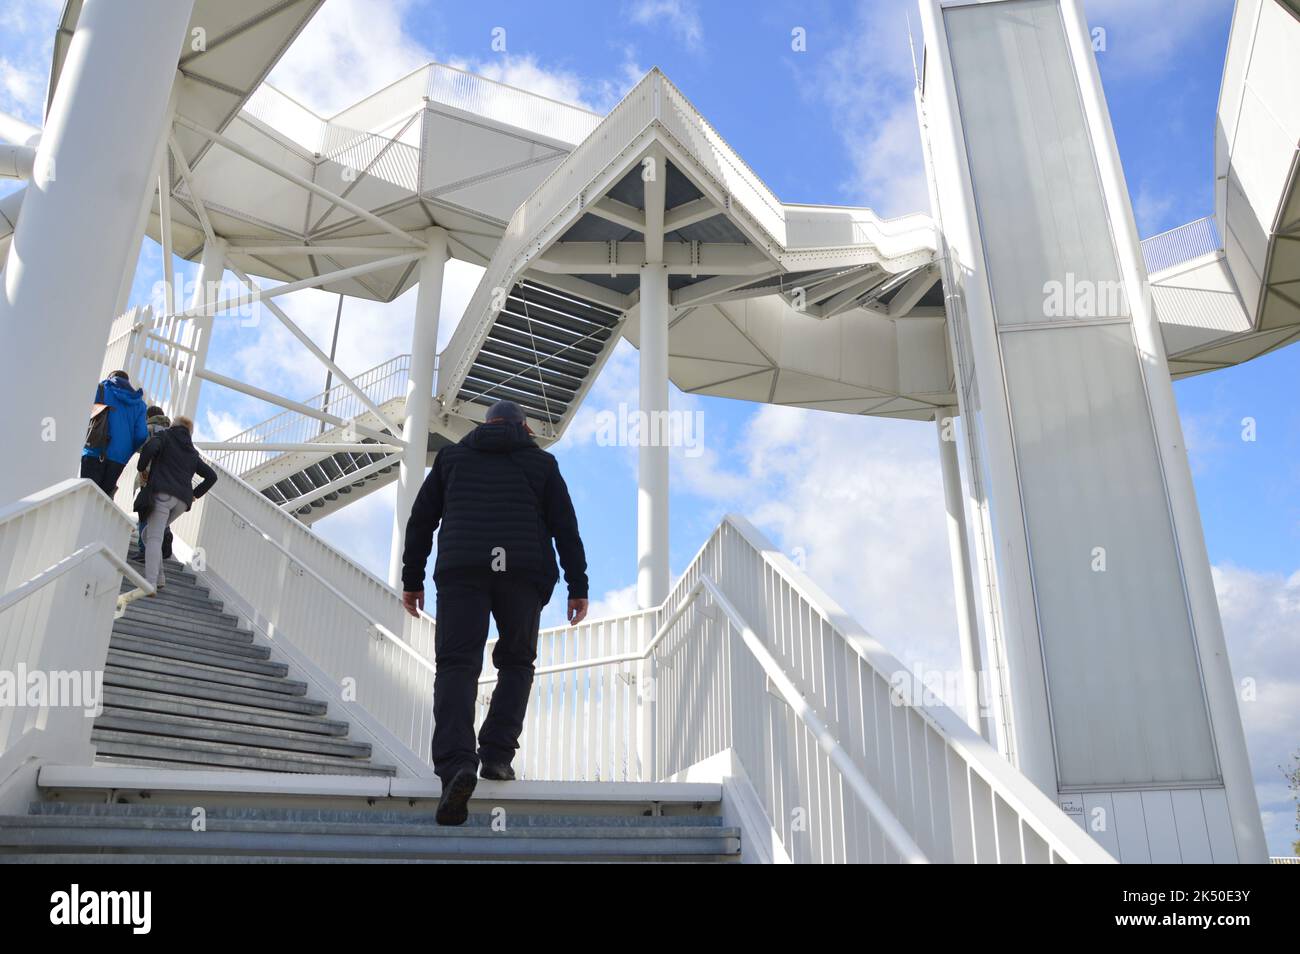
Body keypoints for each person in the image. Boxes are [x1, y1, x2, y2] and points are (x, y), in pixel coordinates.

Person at [401, 399, 589, 826]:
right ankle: (498, 756)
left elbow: (420, 520)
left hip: (463, 570)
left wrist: (412, 579)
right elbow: (566, 528)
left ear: (484, 425)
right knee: (517, 662)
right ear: (524, 428)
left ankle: (456, 765)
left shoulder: (451, 458)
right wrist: (578, 586)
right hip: (521, 574)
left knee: (456, 665)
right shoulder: (542, 464)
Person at [135, 415, 217, 593]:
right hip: (181, 501)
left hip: (162, 495)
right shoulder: (192, 452)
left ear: (173, 425)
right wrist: (195, 494)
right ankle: (160, 577)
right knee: (148, 534)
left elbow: (150, 448)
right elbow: (212, 476)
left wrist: (141, 468)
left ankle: (149, 583)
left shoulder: (165, 437)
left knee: (154, 538)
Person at [81, 370, 148, 498]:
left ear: (111, 377)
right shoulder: (140, 404)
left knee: (86, 495)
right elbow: (141, 435)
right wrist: (126, 450)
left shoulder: (101, 389)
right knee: (102, 500)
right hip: (119, 459)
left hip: (94, 450)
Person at [132, 406, 173, 562]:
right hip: (167, 480)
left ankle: (144, 550)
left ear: (148, 416)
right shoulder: (172, 433)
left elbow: (140, 447)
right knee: (160, 513)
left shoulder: (148, 429)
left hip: (148, 476)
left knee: (145, 510)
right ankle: (166, 534)